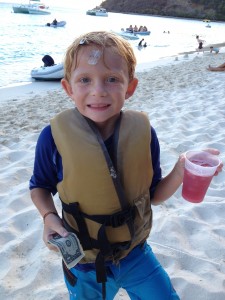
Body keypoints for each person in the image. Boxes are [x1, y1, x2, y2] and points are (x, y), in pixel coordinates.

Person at [29, 31, 222, 300]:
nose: (98, 90)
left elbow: (154, 195)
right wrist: (48, 216)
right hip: (85, 262)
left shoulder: (144, 133)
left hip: (135, 254)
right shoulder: (53, 138)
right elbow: (39, 186)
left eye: (112, 79)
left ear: (129, 88)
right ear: (68, 88)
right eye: (85, 80)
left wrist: (181, 169)